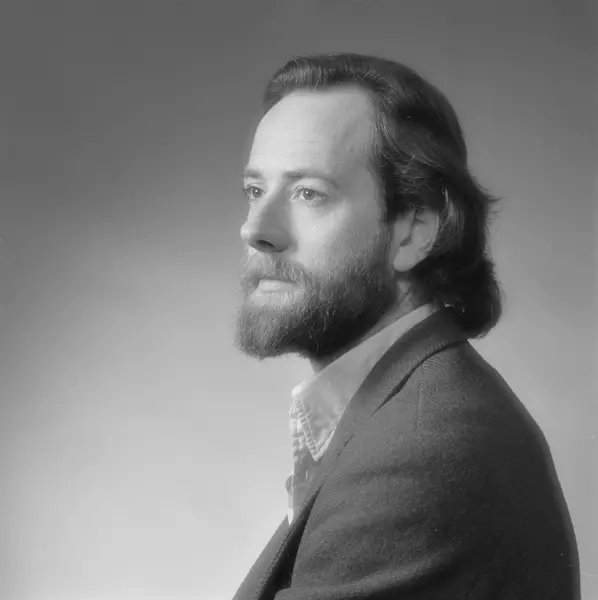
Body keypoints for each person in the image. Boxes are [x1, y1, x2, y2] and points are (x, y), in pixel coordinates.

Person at [232, 53, 579, 600]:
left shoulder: (417, 455)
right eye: (255, 190)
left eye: (308, 193)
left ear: (415, 230)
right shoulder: (405, 412)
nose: (256, 229)